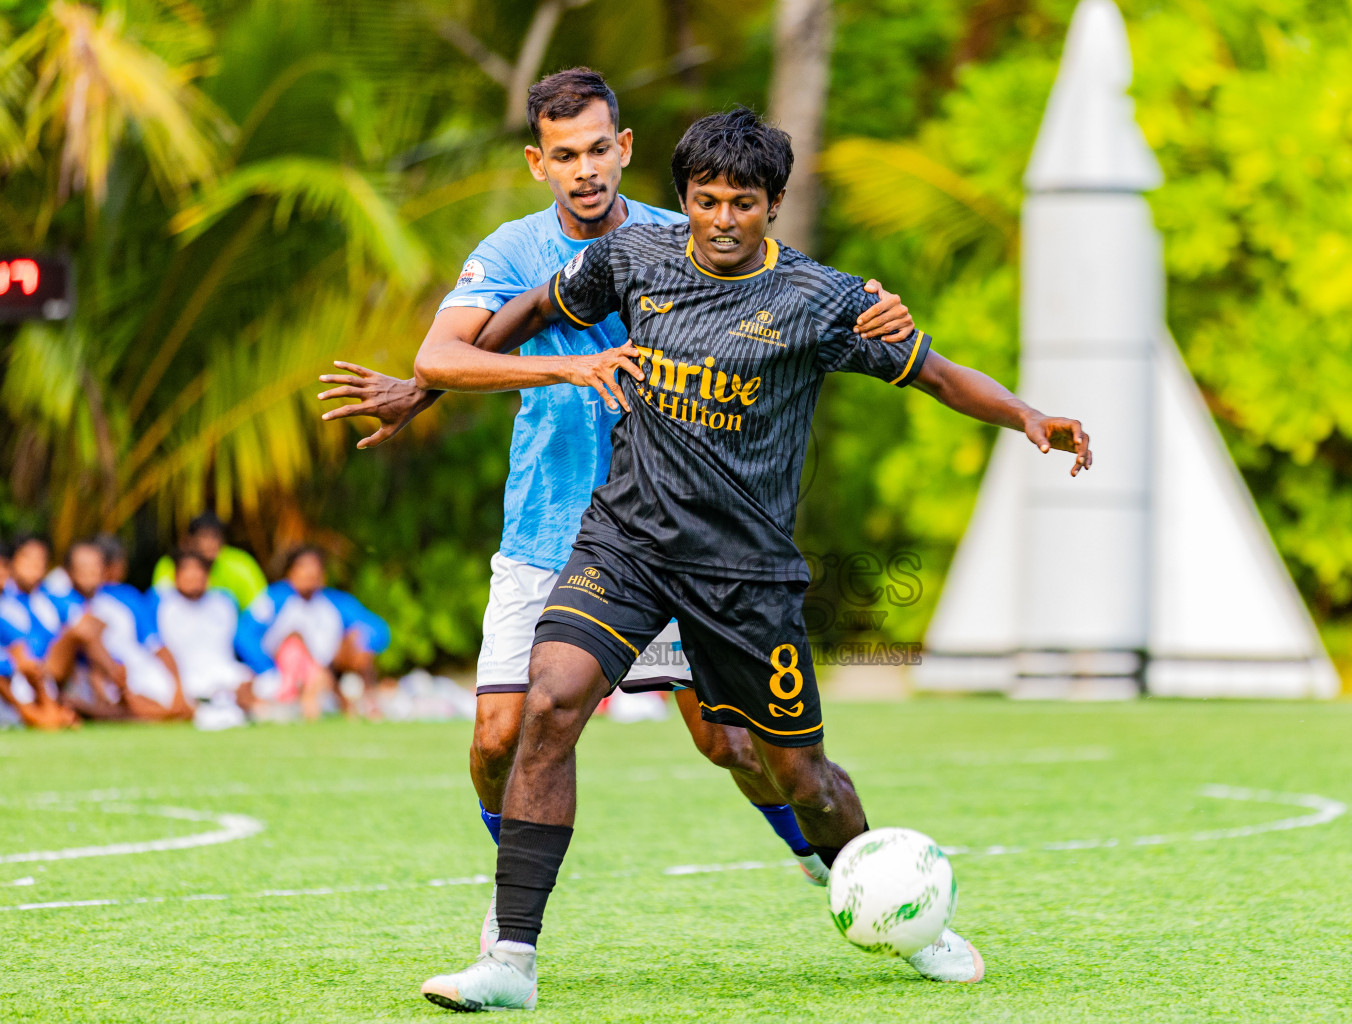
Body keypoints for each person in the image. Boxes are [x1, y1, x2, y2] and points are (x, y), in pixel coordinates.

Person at [413, 107, 1092, 1011]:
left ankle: (909, 914)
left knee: (800, 776)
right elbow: (531, 311)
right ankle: (511, 962)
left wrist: (1026, 416)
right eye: (704, 201)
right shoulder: (629, 261)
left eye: (742, 203)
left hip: (744, 575)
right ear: (684, 200)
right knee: (550, 701)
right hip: (626, 542)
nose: (721, 219)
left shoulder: (821, 300)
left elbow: (934, 373)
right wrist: (421, 387)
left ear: (773, 205)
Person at [319, 68, 915, 949]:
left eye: (600, 148)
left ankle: (840, 872)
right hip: (550, 526)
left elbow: (791, 293)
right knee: (498, 737)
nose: (586, 168)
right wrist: (428, 387)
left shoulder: (688, 233)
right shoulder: (515, 248)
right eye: (566, 155)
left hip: (674, 530)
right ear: (538, 162)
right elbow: (466, 347)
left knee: (734, 746)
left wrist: (875, 311)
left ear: (625, 148)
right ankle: (509, 903)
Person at [235, 546, 389, 721]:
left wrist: (360, 640)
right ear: (290, 572)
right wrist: (267, 668)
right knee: (294, 641)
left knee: (359, 644)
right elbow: (244, 635)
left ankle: (369, 703)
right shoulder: (274, 599)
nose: (310, 573)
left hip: (327, 668)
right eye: (303, 567)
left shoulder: (334, 601)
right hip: (280, 668)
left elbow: (378, 629)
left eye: (314, 567)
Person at [63, 540, 191, 722]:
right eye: (83, 566)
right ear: (69, 571)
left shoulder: (125, 597)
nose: (90, 571)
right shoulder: (59, 601)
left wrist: (179, 686)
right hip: (98, 679)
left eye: (95, 565)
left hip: (137, 672)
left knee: (176, 706)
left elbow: (156, 645)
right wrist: (117, 678)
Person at [148, 550, 253, 708]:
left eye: (198, 572)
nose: (193, 578)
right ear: (175, 577)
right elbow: (154, 645)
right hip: (178, 675)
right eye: (187, 572)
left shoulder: (224, 603)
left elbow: (239, 645)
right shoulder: (160, 603)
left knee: (254, 682)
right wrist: (177, 681)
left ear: (208, 577)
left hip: (222, 673)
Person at [0, 538, 75, 730]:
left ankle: (43, 711)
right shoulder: (9, 605)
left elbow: (22, 655)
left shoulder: (46, 601)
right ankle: (37, 713)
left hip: (28, 680)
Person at [150, 512, 267, 609]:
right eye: (203, 537)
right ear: (189, 540)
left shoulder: (240, 564)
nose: (210, 544)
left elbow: (261, 609)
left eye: (215, 536)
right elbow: (158, 606)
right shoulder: (171, 564)